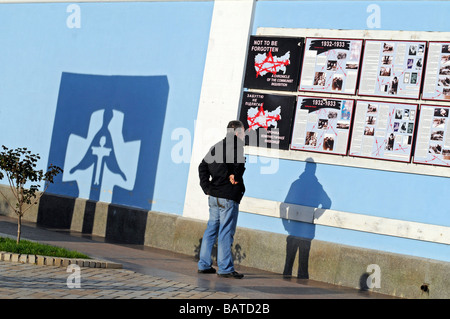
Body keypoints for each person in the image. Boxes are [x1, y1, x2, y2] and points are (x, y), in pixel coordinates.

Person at [197, 120, 246, 279]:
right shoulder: (237, 147)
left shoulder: (217, 146)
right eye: (243, 132)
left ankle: (204, 265)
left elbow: (202, 166)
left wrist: (207, 187)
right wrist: (236, 177)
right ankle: (225, 268)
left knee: (211, 229)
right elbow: (237, 171)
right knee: (225, 232)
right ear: (237, 132)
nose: (244, 135)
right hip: (227, 197)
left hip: (214, 196)